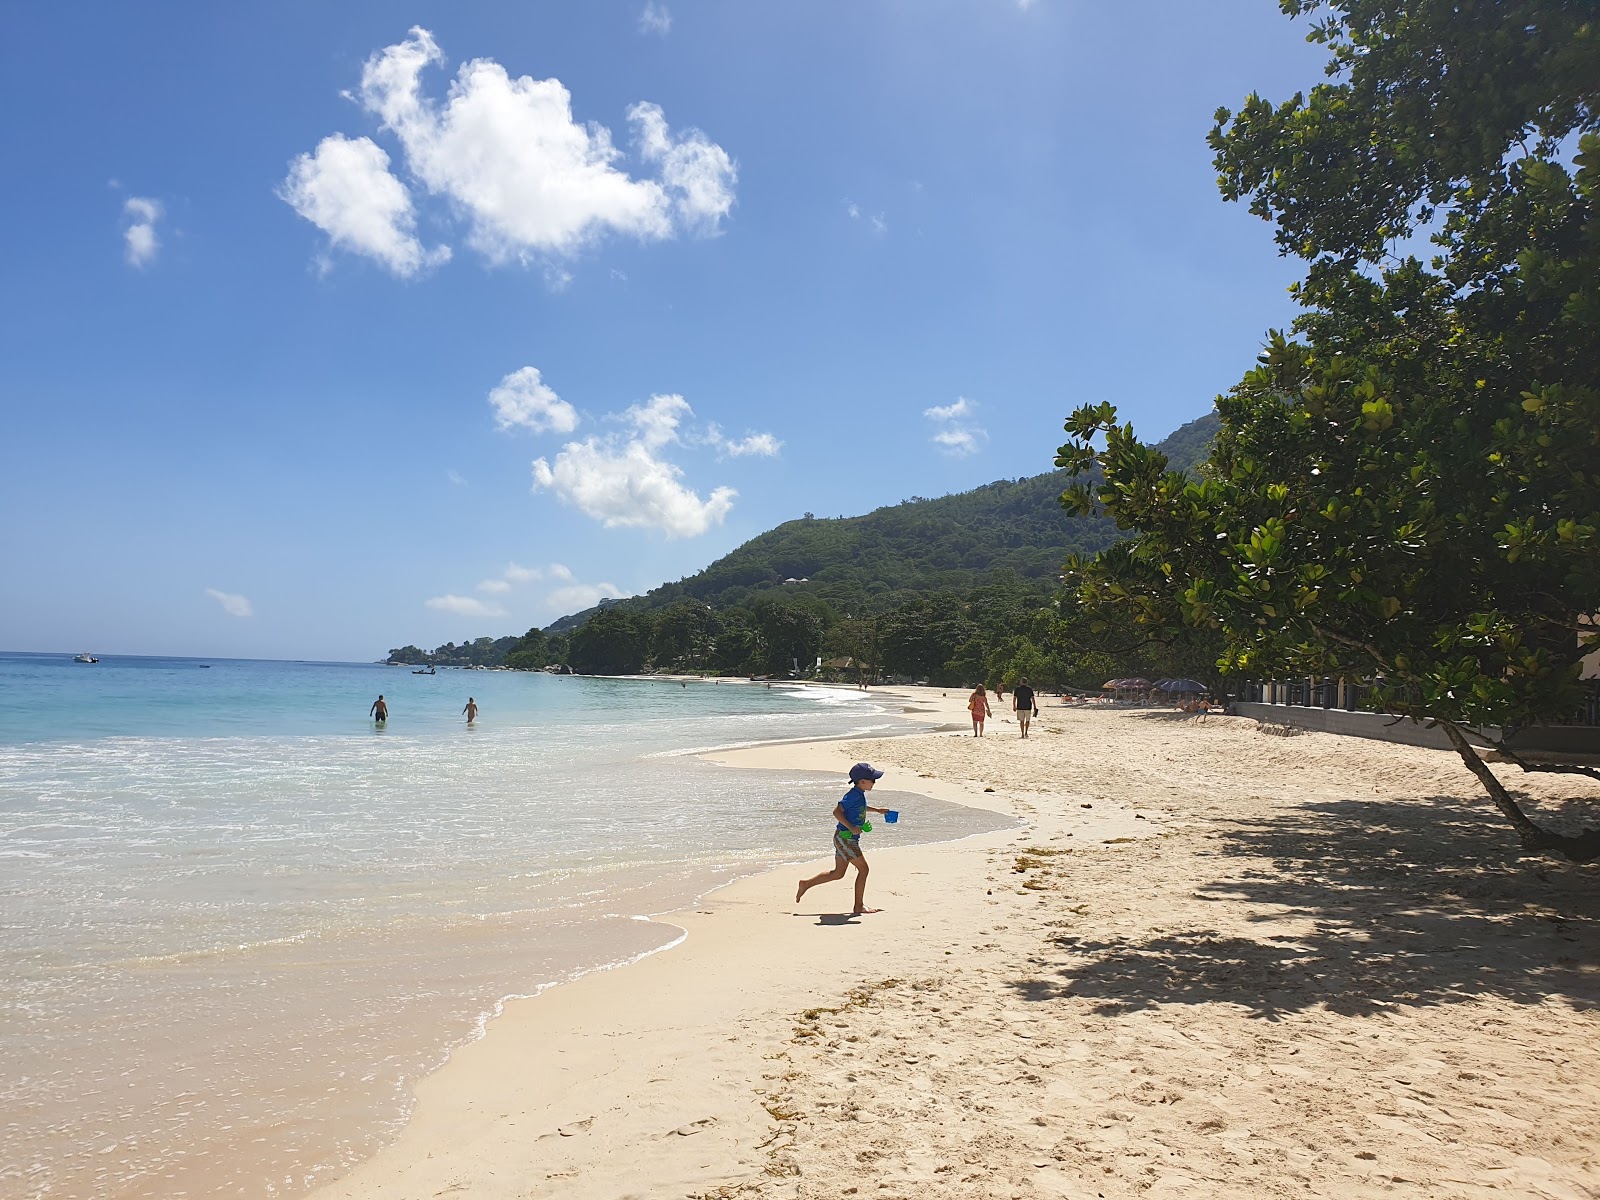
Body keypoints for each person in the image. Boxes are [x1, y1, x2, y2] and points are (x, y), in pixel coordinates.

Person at [795, 763, 891, 914]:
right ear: (862, 781)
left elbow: (859, 808)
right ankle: (858, 906)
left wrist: (877, 810)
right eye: (872, 779)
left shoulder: (858, 795)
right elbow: (837, 811)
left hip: (844, 838)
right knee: (864, 869)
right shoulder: (852, 795)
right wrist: (851, 827)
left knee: (838, 873)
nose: (874, 782)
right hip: (846, 838)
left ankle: (806, 884)